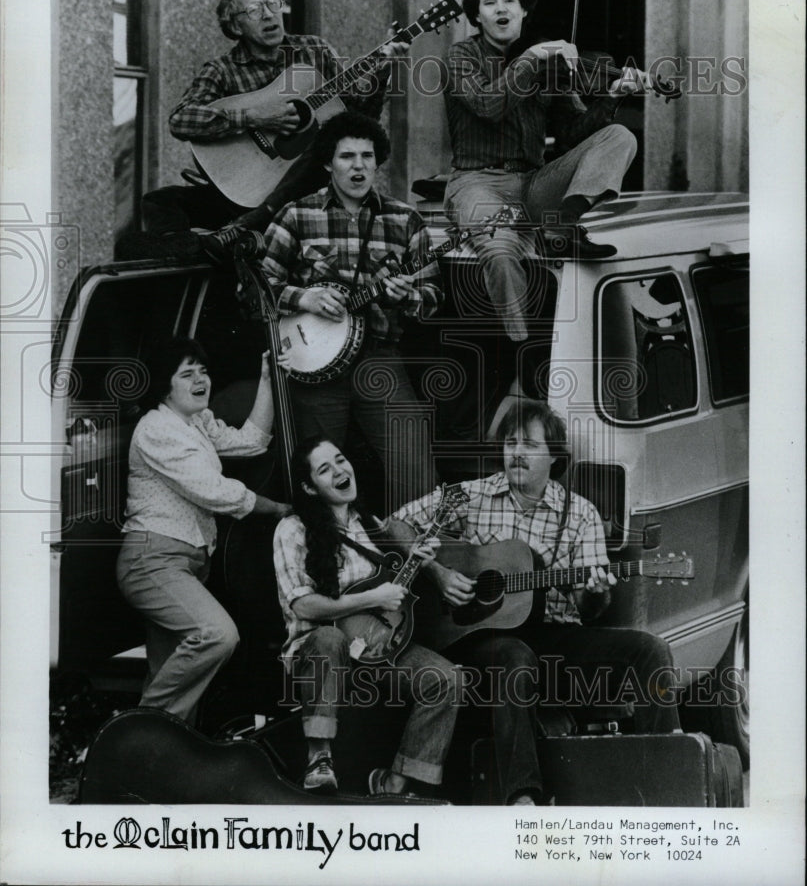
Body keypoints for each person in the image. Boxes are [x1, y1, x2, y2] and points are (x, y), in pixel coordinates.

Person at [394, 397, 680, 805]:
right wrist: (438, 575)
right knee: (515, 656)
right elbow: (396, 524)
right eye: (510, 443)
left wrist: (593, 592)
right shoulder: (468, 496)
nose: (515, 453)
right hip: (480, 639)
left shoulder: (580, 514)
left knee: (649, 650)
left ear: (554, 457)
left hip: (554, 638)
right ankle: (522, 798)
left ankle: (668, 780)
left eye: (528, 445)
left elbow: (588, 611)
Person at [444, 0, 651, 344]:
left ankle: (561, 224)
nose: (502, 9)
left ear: (524, 10)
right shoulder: (462, 57)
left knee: (619, 136)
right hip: (478, 183)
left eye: (510, 0)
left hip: (534, 183)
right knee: (502, 255)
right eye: (490, 3)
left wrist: (613, 95)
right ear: (476, 15)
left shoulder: (546, 66)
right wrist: (532, 58)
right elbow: (488, 105)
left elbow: (574, 134)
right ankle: (524, 348)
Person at [261, 110, 442, 514]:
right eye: (347, 157)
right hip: (314, 371)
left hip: (379, 360)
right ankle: (330, 564)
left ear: (378, 162)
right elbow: (251, 290)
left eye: (367, 156)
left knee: (416, 471)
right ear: (328, 162)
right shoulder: (296, 216)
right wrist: (301, 299)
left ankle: (417, 566)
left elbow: (432, 297)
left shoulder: (405, 220)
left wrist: (405, 297)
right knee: (320, 477)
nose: (358, 166)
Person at [142, 0, 404, 240]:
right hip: (244, 191)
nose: (269, 15)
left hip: (306, 191)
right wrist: (254, 117)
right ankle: (196, 259)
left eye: (273, 3)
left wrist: (380, 76)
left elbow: (361, 122)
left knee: (327, 138)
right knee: (159, 202)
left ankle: (246, 229)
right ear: (234, 26)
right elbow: (181, 120)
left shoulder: (314, 51)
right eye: (254, 10)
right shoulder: (222, 71)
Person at [272, 435, 462, 795]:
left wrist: (418, 561)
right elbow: (302, 605)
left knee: (447, 678)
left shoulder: (372, 524)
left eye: (341, 460)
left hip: (380, 649)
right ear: (310, 488)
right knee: (330, 638)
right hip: (322, 650)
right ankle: (319, 760)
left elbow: (393, 587)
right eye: (325, 469)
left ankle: (393, 785)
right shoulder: (293, 529)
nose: (339, 470)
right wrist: (373, 597)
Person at [117, 337, 290, 723]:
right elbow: (215, 492)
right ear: (166, 384)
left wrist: (267, 378)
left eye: (203, 370)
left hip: (185, 564)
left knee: (174, 680)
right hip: (152, 561)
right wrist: (277, 508)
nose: (200, 379)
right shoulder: (157, 429)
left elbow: (252, 442)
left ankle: (158, 766)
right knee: (218, 635)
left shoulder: (195, 422)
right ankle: (135, 732)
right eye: (186, 373)